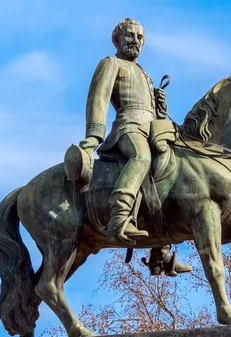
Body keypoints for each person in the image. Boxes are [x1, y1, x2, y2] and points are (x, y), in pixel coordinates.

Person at [79, 18, 165, 244]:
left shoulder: (144, 73)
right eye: (129, 35)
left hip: (152, 130)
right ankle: (119, 218)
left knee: (175, 170)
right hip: (128, 128)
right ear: (117, 39)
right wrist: (94, 135)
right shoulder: (111, 63)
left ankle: (161, 250)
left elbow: (152, 113)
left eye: (139, 37)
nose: (135, 41)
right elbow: (98, 98)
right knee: (140, 157)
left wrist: (160, 109)